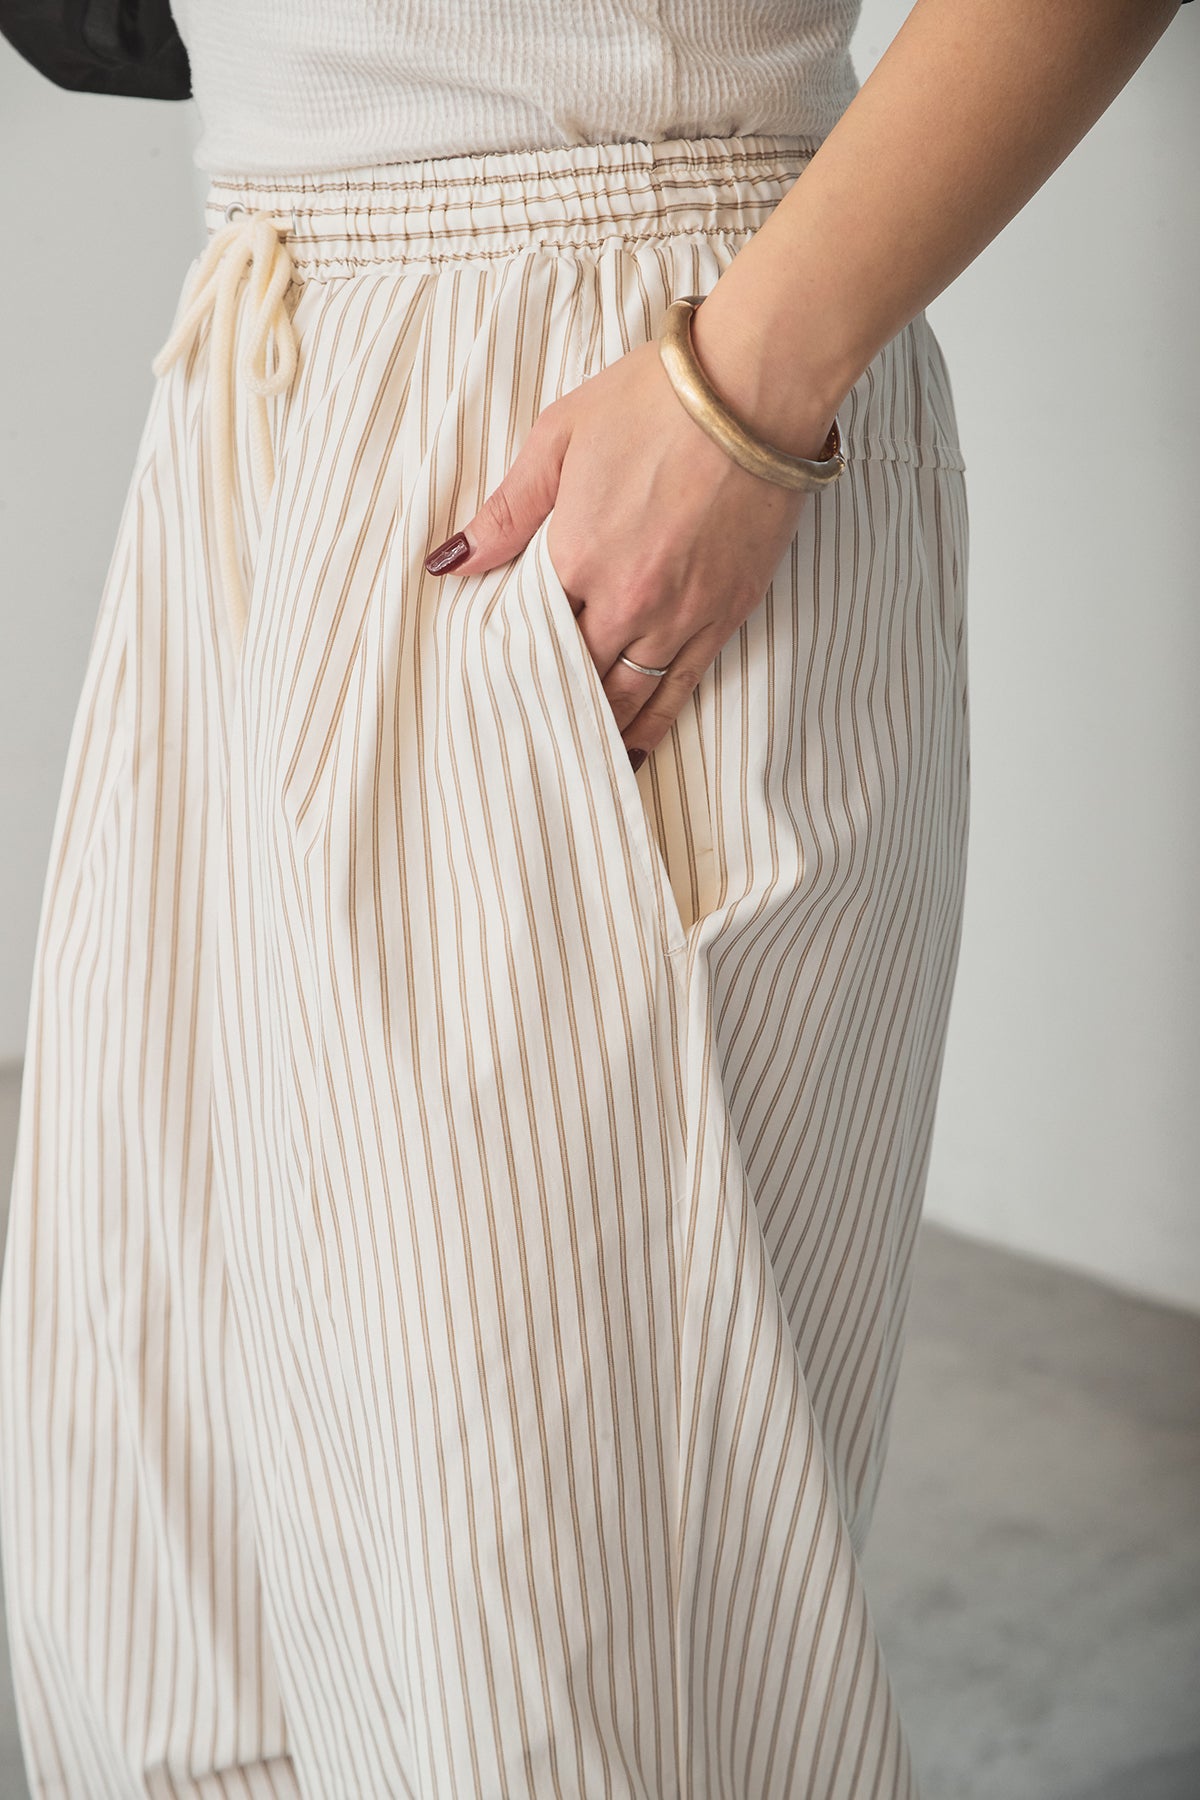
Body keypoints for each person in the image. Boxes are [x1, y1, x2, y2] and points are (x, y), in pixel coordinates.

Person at [0, 0, 1186, 1795]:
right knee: (176, 1599)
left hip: (595, 394)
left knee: (539, 1661)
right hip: (269, 363)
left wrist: (743, 391)